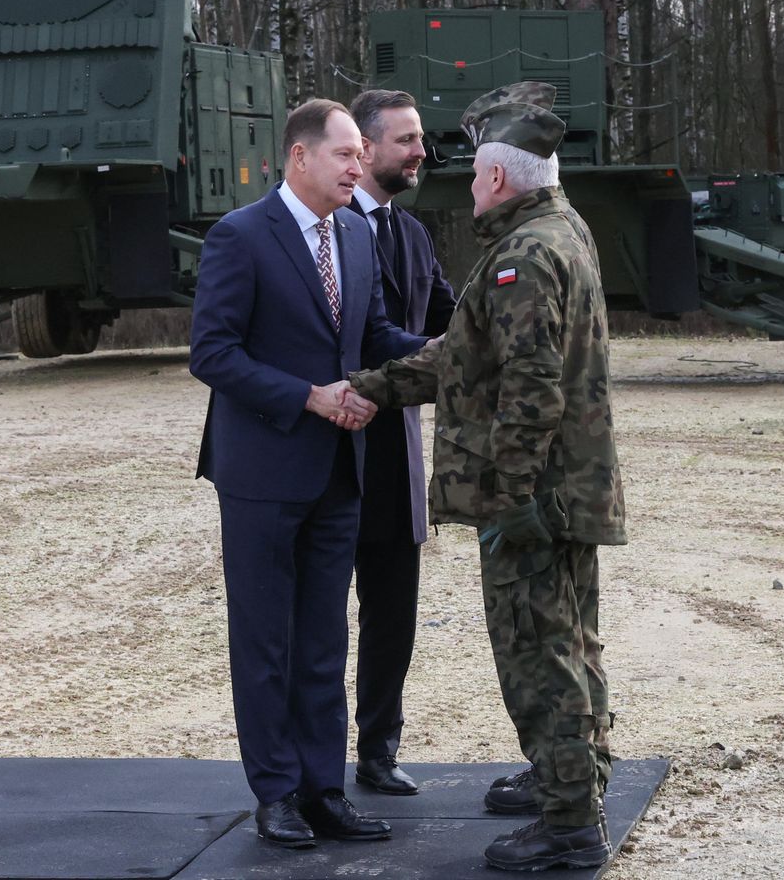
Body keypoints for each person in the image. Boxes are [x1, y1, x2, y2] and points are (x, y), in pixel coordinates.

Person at [348, 82, 625, 872]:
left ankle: (570, 824)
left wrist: (507, 499)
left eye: (474, 174)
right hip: (568, 488)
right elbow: (465, 355)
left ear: (498, 179)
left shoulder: (526, 257)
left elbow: (528, 388)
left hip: (537, 497)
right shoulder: (559, 227)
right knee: (572, 639)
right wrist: (375, 388)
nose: (468, 184)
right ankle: (570, 779)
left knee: (541, 655)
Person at [189, 98, 426, 850]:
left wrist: (453, 353)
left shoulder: (357, 234)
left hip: (341, 475)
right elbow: (213, 353)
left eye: (361, 155)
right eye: (347, 154)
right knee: (266, 642)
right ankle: (277, 795)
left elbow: (377, 334)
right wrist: (307, 397)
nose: (359, 167)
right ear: (300, 158)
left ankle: (326, 791)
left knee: (324, 641)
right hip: (262, 471)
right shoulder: (238, 237)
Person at [345, 90, 457, 796]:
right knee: (321, 622)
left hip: (394, 454)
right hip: (331, 448)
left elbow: (452, 313)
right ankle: (317, 759)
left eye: (420, 140)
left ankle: (378, 749)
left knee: (393, 614)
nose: (421, 152)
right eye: (408, 140)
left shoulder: (412, 234)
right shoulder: (323, 229)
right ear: (365, 147)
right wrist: (439, 352)